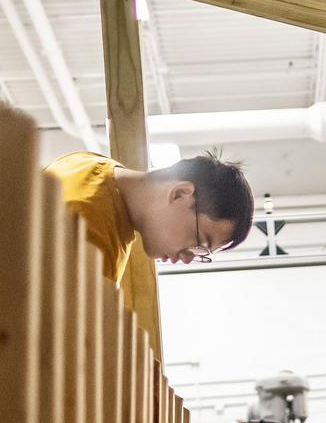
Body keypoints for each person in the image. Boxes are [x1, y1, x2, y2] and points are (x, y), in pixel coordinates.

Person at [45, 147, 254, 354]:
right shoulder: (93, 237)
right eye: (199, 242)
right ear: (180, 194)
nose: (189, 258)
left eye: (201, 254)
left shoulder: (85, 162)